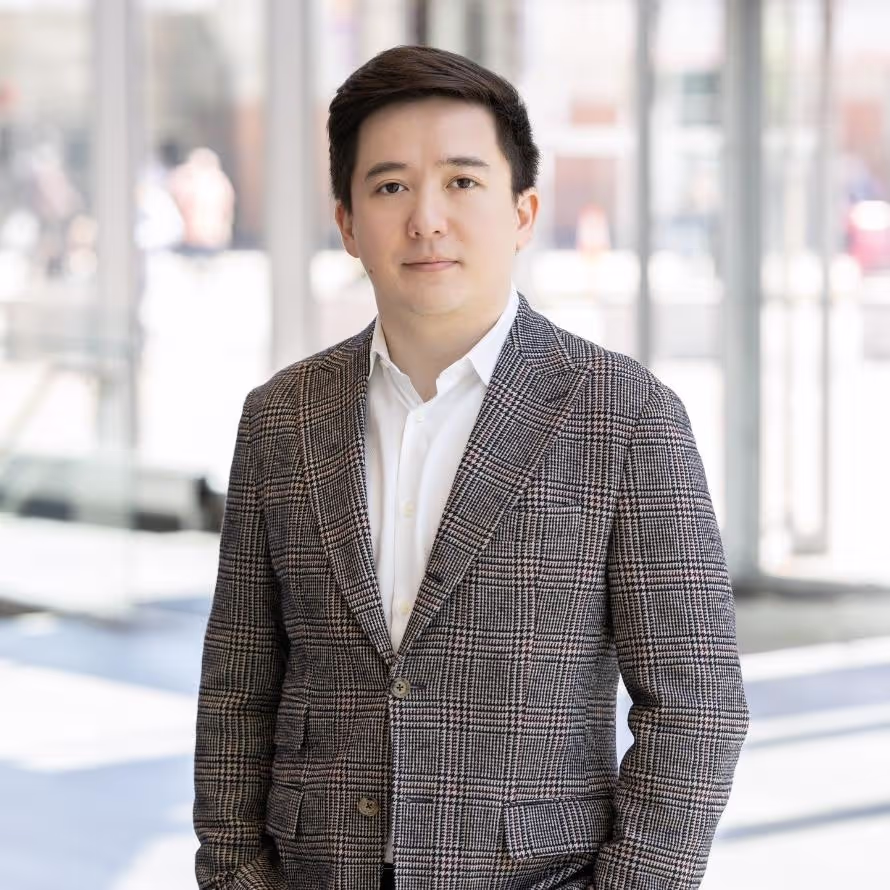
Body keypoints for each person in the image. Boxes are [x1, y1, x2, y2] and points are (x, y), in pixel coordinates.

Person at [192, 45, 748, 890]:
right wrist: (235, 873)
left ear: (523, 212)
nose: (426, 219)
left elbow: (697, 709)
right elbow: (237, 688)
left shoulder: (627, 417)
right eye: (390, 187)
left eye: (461, 181)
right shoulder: (281, 417)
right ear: (347, 222)